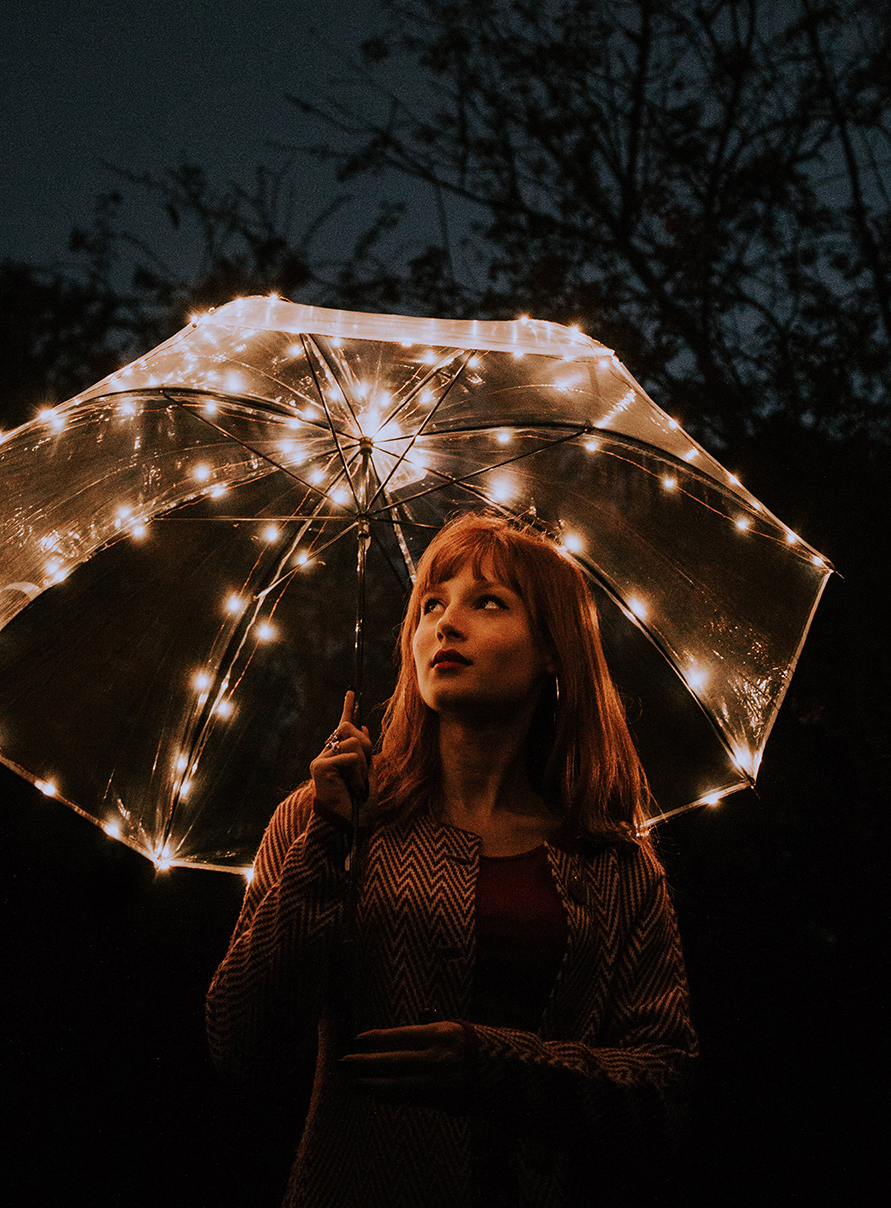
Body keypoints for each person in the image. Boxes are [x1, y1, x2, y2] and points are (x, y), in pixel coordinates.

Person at [206, 512, 697, 1207]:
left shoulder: (615, 864)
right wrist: (325, 842)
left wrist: (497, 1067)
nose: (446, 623)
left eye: (487, 602)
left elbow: (665, 1089)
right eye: (430, 605)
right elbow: (239, 1040)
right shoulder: (330, 814)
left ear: (554, 650)